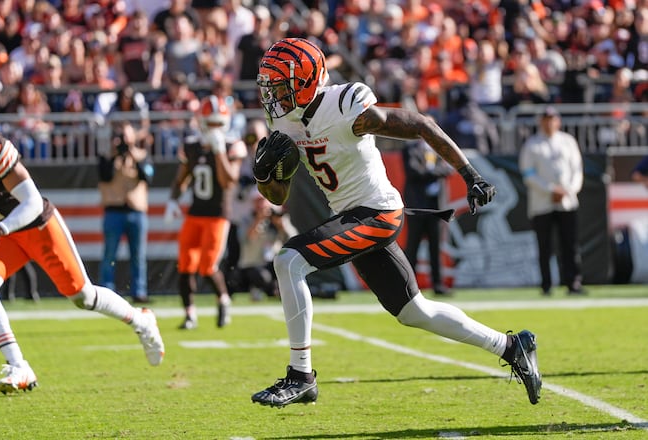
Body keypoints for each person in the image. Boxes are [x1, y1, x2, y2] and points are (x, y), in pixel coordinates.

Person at [249, 38, 541, 408]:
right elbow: (279, 196)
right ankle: (512, 346)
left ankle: (301, 375)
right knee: (414, 312)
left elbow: (421, 124)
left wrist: (470, 174)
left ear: (305, 81)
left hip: (377, 213)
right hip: (351, 216)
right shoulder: (283, 117)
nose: (272, 96)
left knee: (288, 261)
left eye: (278, 86)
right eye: (269, 87)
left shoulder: (346, 104)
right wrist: (264, 176)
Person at [0, 101, 164, 394]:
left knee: (83, 296)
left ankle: (141, 320)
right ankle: (19, 366)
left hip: (35, 225)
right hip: (6, 234)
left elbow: (33, 202)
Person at [164, 95, 246, 329]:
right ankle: (190, 314)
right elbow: (181, 179)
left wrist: (219, 152)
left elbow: (229, 181)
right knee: (185, 264)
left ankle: (223, 299)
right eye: (210, 123)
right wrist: (173, 201)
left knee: (208, 266)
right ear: (201, 122)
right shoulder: (191, 145)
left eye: (219, 123)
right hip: (195, 213)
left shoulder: (232, 145)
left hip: (219, 215)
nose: (215, 128)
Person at [519, 106, 584, 296]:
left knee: (570, 244)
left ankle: (573, 282)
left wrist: (568, 190)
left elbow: (577, 170)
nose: (549, 122)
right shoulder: (532, 144)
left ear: (558, 121)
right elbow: (528, 174)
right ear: (541, 122)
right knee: (545, 245)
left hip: (567, 201)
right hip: (542, 203)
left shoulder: (568, 141)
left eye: (552, 118)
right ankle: (546, 284)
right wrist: (550, 189)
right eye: (546, 119)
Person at [98, 121, 152, 304]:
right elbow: (105, 176)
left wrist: (133, 155)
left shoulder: (141, 156)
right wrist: (115, 156)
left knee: (138, 255)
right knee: (109, 255)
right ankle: (107, 291)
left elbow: (148, 176)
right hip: (113, 211)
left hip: (136, 211)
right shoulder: (107, 157)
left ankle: (139, 291)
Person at [402, 139, 454, 295]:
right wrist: (438, 171)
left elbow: (449, 170)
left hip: (435, 207)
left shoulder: (437, 149)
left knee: (435, 248)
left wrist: (434, 171)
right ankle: (407, 286)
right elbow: (414, 172)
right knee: (412, 248)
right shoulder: (410, 148)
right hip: (417, 207)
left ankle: (438, 285)